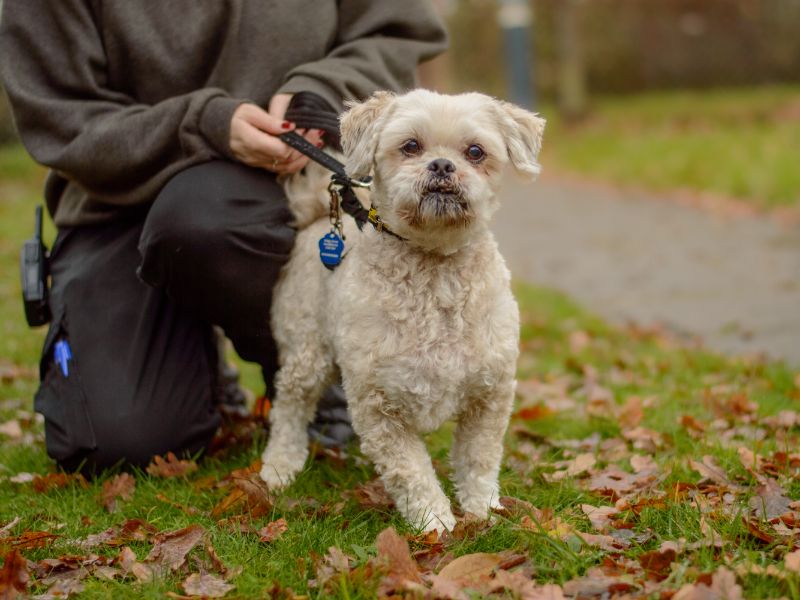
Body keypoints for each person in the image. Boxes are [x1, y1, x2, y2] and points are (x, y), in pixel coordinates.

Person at [0, 1, 448, 473]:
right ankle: (198, 365)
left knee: (204, 219)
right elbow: (58, 113)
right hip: (113, 203)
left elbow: (394, 30)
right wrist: (203, 124)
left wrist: (322, 91)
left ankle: (316, 376)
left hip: (282, 192)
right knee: (116, 445)